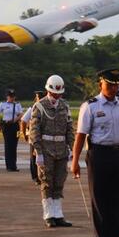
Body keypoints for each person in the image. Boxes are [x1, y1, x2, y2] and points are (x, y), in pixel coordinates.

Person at [71, 69, 119, 237]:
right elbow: (81, 135)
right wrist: (75, 161)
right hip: (99, 154)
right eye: (109, 85)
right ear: (101, 84)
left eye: (116, 85)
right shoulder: (90, 106)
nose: (113, 88)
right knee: (100, 199)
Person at [29, 75, 74, 228]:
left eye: (59, 93)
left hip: (61, 150)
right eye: (55, 93)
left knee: (59, 182)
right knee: (47, 182)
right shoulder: (39, 106)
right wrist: (38, 152)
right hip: (46, 149)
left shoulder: (64, 106)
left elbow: (69, 129)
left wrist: (72, 148)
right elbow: (34, 130)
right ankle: (49, 215)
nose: (57, 96)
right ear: (48, 90)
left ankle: (58, 214)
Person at [0, 89, 24, 171]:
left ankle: (13, 165)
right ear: (7, 96)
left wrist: (15, 119)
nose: (12, 98)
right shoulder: (3, 104)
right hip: (6, 126)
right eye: (10, 96)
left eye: (13, 96)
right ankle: (9, 166)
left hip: (15, 126)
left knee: (14, 145)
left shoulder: (17, 104)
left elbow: (21, 114)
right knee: (8, 145)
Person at [21, 91, 46, 184]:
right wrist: (24, 134)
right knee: (34, 158)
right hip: (34, 137)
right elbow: (23, 121)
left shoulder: (47, 108)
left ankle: (43, 176)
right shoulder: (32, 109)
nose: (38, 99)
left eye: (40, 97)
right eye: (37, 97)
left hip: (44, 137)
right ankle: (36, 177)